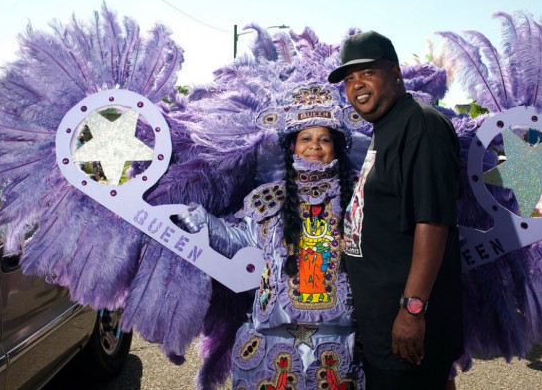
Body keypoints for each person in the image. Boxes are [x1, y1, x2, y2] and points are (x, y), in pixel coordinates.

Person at [178, 84, 366, 389]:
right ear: (292, 146)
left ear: (337, 146)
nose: (314, 147)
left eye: (324, 139)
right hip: (274, 340)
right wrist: (207, 224)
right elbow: (242, 242)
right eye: (305, 138)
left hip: (341, 338)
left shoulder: (358, 197)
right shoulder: (269, 199)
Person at [328, 31, 463, 390]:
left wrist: (412, 310)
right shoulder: (385, 128)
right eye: (349, 78)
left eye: (367, 72)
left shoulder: (421, 125)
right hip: (383, 327)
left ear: (395, 73)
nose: (356, 85)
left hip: (405, 330)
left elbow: (432, 221)